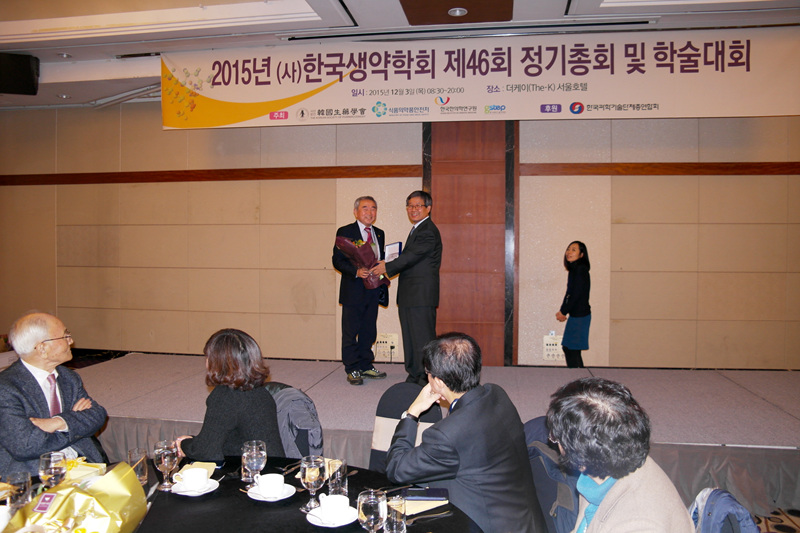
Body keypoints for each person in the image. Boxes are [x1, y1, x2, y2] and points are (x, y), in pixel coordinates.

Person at [385, 332, 546, 533]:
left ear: (439, 382)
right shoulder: (497, 394)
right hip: (528, 522)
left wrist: (411, 413)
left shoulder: (447, 434)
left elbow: (396, 469)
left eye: (428, 373)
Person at [547, 377, 694, 533]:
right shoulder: (611, 462)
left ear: (581, 457)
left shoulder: (639, 525)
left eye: (555, 437)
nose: (552, 439)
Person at [0, 312, 107, 475]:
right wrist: (74, 425)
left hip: (82, 463)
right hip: (35, 475)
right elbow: (26, 446)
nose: (71, 341)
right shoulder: (6, 388)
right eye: (65, 336)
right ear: (42, 348)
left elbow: (97, 415)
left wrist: (56, 422)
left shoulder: (68, 377)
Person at [177, 329, 283, 461]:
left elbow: (206, 452)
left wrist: (184, 444)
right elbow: (224, 437)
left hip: (250, 469)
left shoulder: (225, 397)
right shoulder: (260, 391)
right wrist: (194, 442)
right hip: (273, 465)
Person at [371, 190, 442, 385]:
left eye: (418, 205)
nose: (413, 209)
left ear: (428, 208)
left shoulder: (428, 231)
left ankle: (426, 377)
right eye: (410, 206)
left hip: (421, 295)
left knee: (422, 338)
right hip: (410, 294)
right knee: (411, 337)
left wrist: (387, 267)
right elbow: (409, 258)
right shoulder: (417, 229)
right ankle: (415, 373)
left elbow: (411, 257)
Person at [332, 196, 388, 386]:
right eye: (365, 208)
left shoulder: (379, 233)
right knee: (350, 331)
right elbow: (337, 260)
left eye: (373, 208)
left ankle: (366, 364)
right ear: (356, 212)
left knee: (369, 330)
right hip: (353, 289)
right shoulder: (345, 231)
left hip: (373, 289)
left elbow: (378, 257)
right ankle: (352, 368)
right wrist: (355, 271)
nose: (369, 212)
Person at [556, 241, 591, 368]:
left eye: (574, 250)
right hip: (577, 315)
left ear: (581, 255)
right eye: (568, 249)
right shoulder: (575, 269)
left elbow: (575, 294)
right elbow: (570, 293)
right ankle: (577, 377)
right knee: (569, 348)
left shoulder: (580, 269)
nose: (569, 252)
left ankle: (580, 378)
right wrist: (563, 310)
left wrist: (563, 311)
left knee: (572, 349)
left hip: (580, 316)